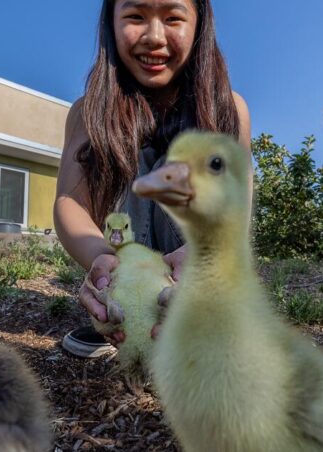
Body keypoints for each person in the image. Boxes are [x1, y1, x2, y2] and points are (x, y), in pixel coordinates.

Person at [54, 0, 251, 357]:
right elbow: (71, 201)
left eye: (173, 17)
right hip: (123, 260)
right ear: (110, 25)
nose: (154, 37)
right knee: (125, 152)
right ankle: (123, 309)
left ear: (199, 26)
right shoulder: (88, 113)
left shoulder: (229, 109)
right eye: (135, 16)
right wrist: (104, 262)